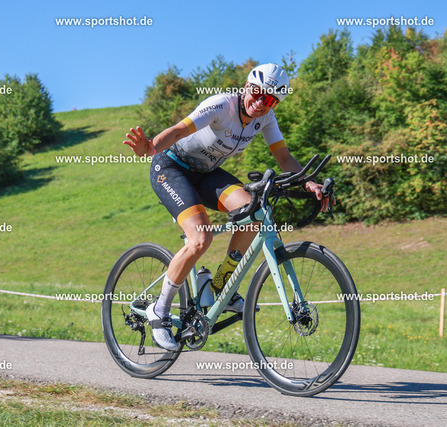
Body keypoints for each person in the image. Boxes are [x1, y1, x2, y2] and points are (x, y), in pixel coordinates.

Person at [124, 63, 332, 350]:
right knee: (200, 239)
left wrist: (309, 183)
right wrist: (151, 146)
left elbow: (284, 158)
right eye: (257, 93)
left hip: (207, 174)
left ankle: (218, 285)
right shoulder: (221, 105)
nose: (261, 103)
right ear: (247, 86)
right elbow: (179, 130)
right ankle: (159, 311)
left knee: (255, 214)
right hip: (171, 168)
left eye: (270, 100)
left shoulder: (266, 119)